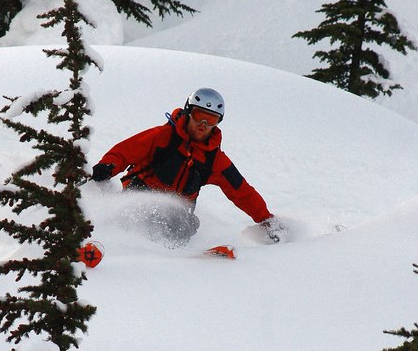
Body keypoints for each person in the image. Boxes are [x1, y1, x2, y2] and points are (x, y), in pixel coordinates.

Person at [89, 87, 284, 246]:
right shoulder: (162, 137)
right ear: (189, 112)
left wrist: (266, 220)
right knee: (148, 215)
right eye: (199, 116)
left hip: (177, 216)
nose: (204, 124)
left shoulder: (213, 159)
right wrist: (107, 166)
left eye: (212, 119)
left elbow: (241, 192)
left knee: (186, 224)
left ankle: (176, 262)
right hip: (139, 197)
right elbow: (125, 151)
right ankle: (114, 243)